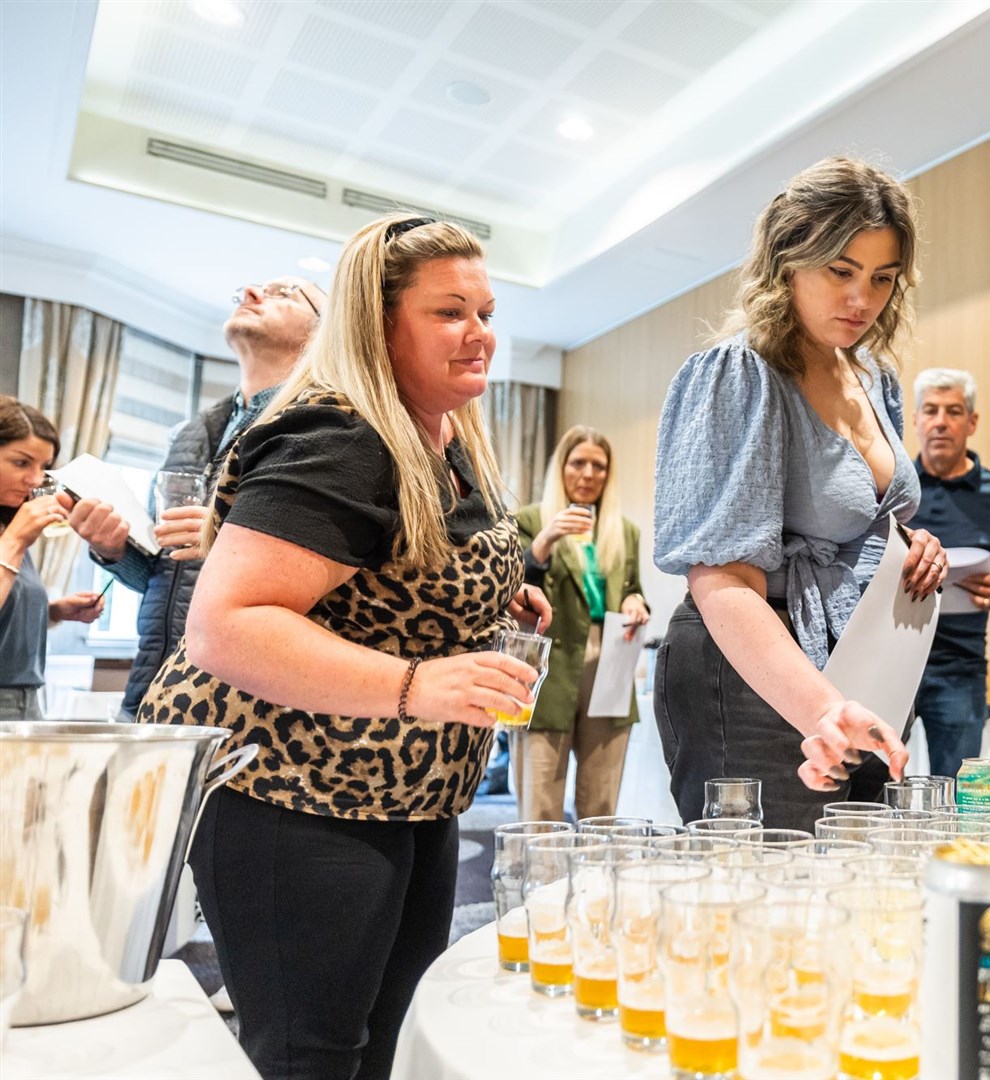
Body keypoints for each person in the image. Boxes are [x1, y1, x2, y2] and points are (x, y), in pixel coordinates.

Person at [138, 214, 551, 1080]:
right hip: (293, 788)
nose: (479, 334)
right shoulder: (341, 437)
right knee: (312, 1053)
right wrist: (418, 682)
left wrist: (491, 601)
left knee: (388, 1032)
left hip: (409, 790)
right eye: (449, 313)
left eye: (485, 309)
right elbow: (227, 623)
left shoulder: (444, 436)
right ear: (377, 323)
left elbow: (390, 578)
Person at [653, 157, 947, 832]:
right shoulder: (740, 372)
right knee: (760, 899)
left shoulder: (875, 380)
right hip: (752, 664)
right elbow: (721, 576)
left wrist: (910, 549)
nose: (861, 298)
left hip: (858, 663)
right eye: (840, 271)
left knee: (845, 890)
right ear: (788, 260)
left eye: (882, 278)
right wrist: (819, 708)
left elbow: (861, 520)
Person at [69, 277, 324, 720]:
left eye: (283, 293)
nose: (249, 294)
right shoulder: (189, 435)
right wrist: (111, 550)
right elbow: (165, 575)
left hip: (248, 704)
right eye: (248, 290)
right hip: (154, 685)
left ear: (328, 331)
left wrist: (228, 539)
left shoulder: (321, 428)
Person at [512, 425, 650, 822]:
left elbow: (633, 589)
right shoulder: (529, 520)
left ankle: (595, 881)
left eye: (599, 466)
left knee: (602, 806)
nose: (589, 474)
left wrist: (634, 601)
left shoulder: (624, 532)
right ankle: (538, 882)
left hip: (610, 659)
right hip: (545, 659)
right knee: (539, 802)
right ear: (561, 467)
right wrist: (545, 539)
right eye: (578, 463)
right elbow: (507, 586)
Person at [907, 368, 990, 780]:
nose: (940, 421)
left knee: (955, 790)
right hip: (893, 662)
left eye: (953, 411)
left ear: (971, 422)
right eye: (930, 410)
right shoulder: (894, 492)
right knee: (876, 789)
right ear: (916, 420)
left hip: (959, 668)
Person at [0, 398, 104, 721]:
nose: (35, 479)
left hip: (26, 700)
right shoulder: (15, 534)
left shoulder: (10, 522)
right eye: (22, 462)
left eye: (44, 466)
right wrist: (16, 540)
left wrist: (54, 611)